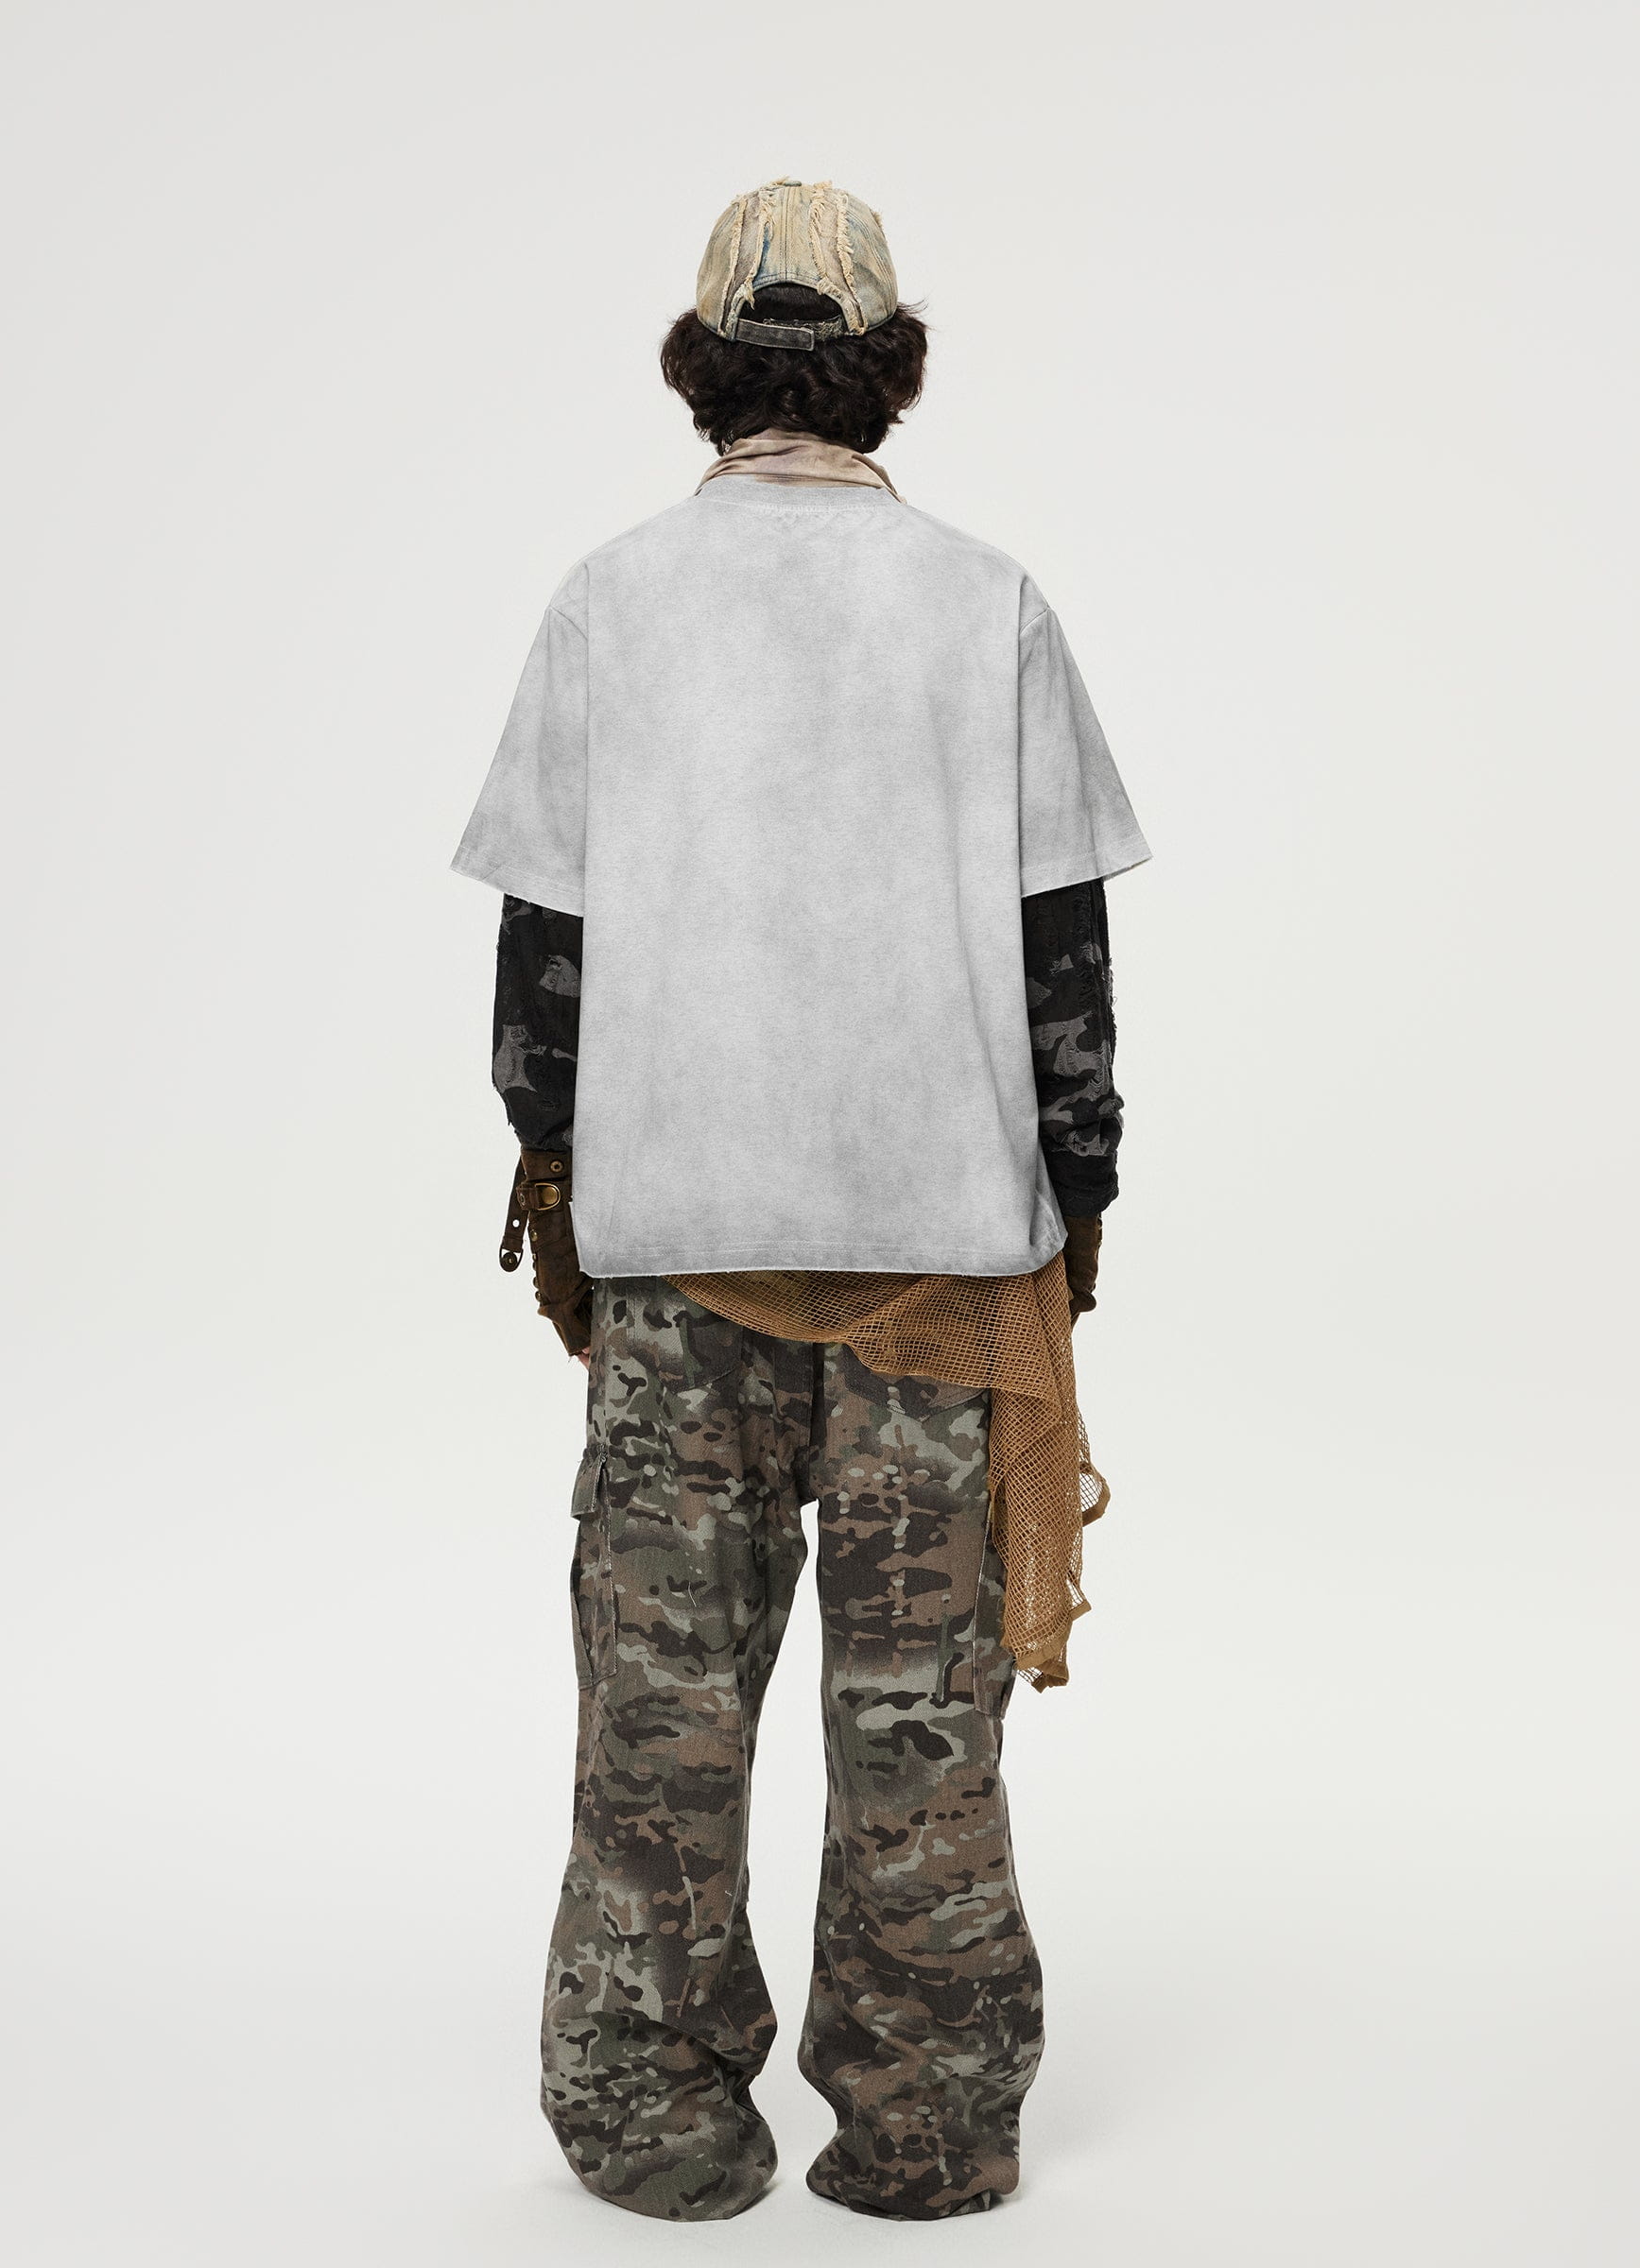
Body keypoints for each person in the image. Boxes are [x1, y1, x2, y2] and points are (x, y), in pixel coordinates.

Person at [451, 178, 1150, 2223]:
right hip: (943, 1262)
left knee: (661, 1716)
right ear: (886, 363)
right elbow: (1065, 958)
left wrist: (566, 1179)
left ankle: (650, 2120)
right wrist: (1080, 1198)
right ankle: (929, 2124)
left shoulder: (610, 598)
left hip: (683, 1259)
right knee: (922, 1723)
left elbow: (543, 964)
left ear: (701, 362)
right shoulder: (987, 601)